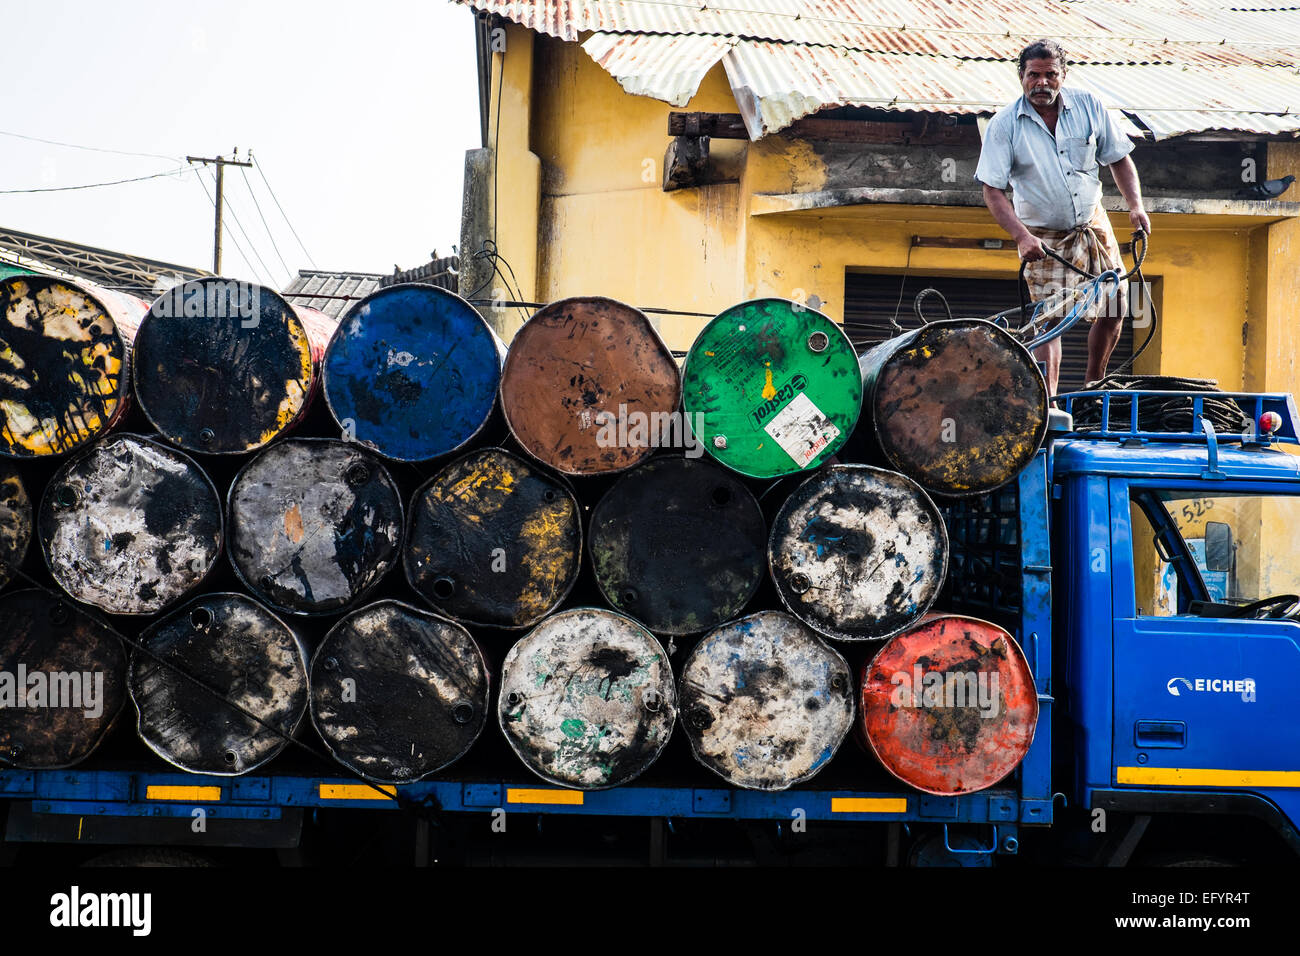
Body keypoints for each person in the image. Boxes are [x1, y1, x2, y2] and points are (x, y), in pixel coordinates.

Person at [975, 39, 1152, 395]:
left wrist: (1136, 205)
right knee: (1048, 321)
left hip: (1091, 224)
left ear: (1063, 75)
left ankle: (1092, 383)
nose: (1042, 83)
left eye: (1050, 74)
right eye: (1034, 75)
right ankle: (1050, 401)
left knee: (1117, 305)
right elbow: (992, 191)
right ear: (1022, 77)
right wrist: (1022, 237)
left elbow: (1118, 158)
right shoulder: (1004, 124)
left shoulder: (1089, 106)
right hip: (1042, 235)